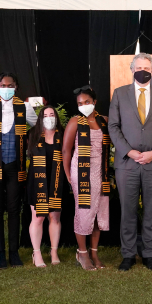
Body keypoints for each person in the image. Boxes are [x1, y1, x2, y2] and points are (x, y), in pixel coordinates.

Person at [108, 53, 152, 271]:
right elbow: (113, 127)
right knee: (127, 210)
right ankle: (128, 254)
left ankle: (149, 253)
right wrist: (129, 152)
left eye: (146, 68)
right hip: (127, 163)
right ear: (132, 69)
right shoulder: (119, 94)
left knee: (151, 210)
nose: (142, 71)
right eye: (138, 67)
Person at [0, 72, 38, 268]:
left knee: (14, 208)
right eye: (2, 84)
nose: (6, 88)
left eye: (10, 85)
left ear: (15, 86)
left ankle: (14, 252)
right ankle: (0, 253)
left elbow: (37, 126)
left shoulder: (23, 107)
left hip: (15, 165)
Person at [63, 86, 112, 271]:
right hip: (81, 172)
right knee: (84, 210)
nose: (83, 106)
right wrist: (68, 174)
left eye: (87, 102)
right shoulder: (75, 121)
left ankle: (94, 252)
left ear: (95, 102)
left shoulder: (104, 121)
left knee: (98, 210)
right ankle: (82, 253)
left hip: (100, 171)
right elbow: (67, 150)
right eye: (80, 104)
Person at [26, 105, 64, 267]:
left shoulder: (62, 135)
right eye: (46, 115)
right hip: (36, 181)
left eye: (52, 114)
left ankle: (54, 251)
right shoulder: (33, 134)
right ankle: (37, 253)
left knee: (54, 217)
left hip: (57, 179)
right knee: (38, 217)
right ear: (41, 118)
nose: (49, 117)